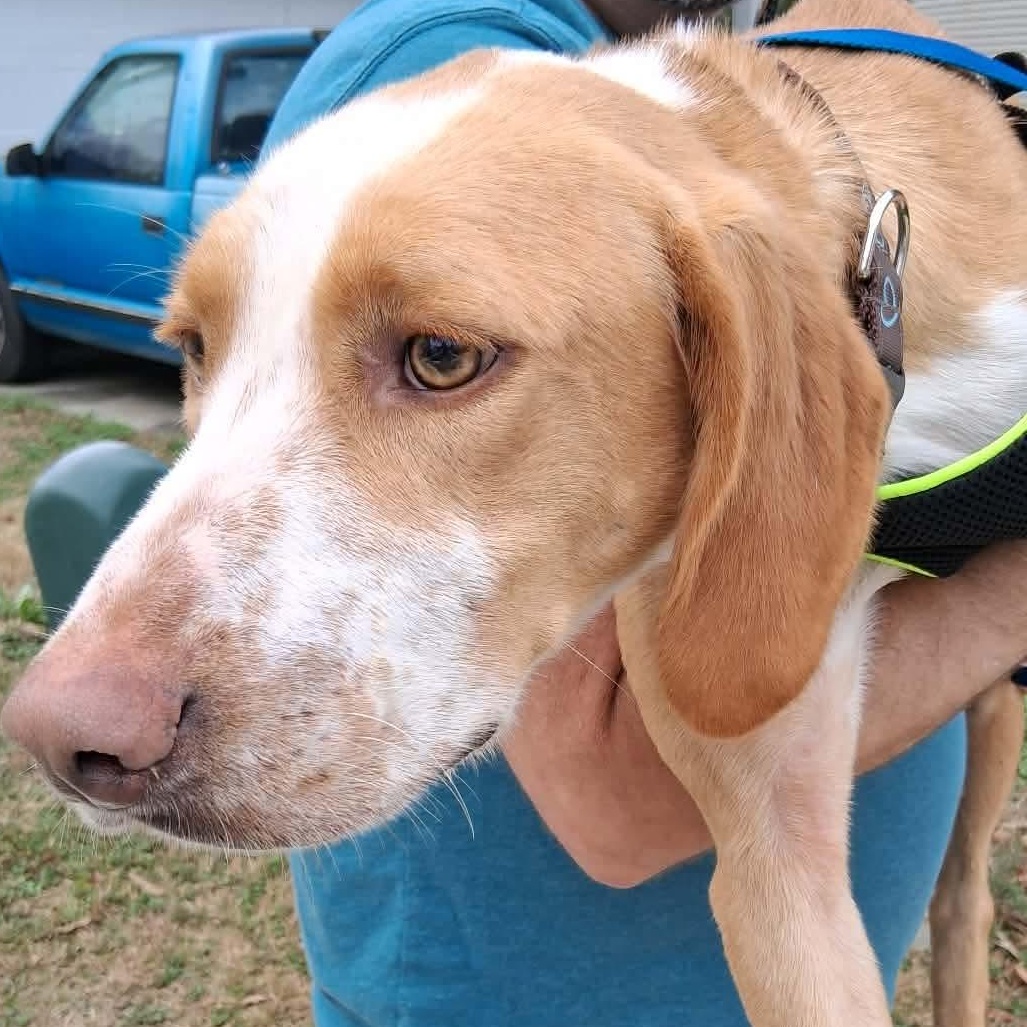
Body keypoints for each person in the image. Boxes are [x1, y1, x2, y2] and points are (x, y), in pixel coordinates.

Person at [249, 2, 1027, 1025]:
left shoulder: (853, 93)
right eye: (443, 355)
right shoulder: (449, 101)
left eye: (441, 353)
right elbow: (617, 796)